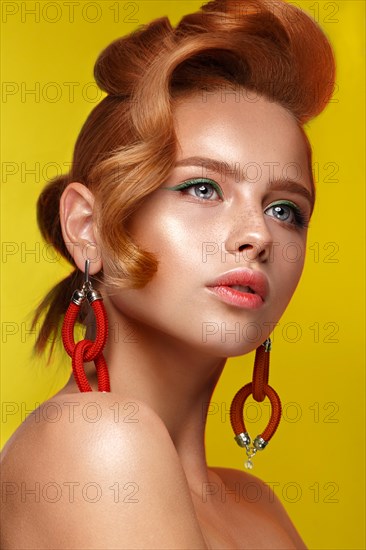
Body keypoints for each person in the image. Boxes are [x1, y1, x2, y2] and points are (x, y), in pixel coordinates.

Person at [0, 0, 336, 548]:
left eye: (285, 210)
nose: (259, 235)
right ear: (88, 226)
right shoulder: (92, 443)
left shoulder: (257, 506)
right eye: (202, 188)